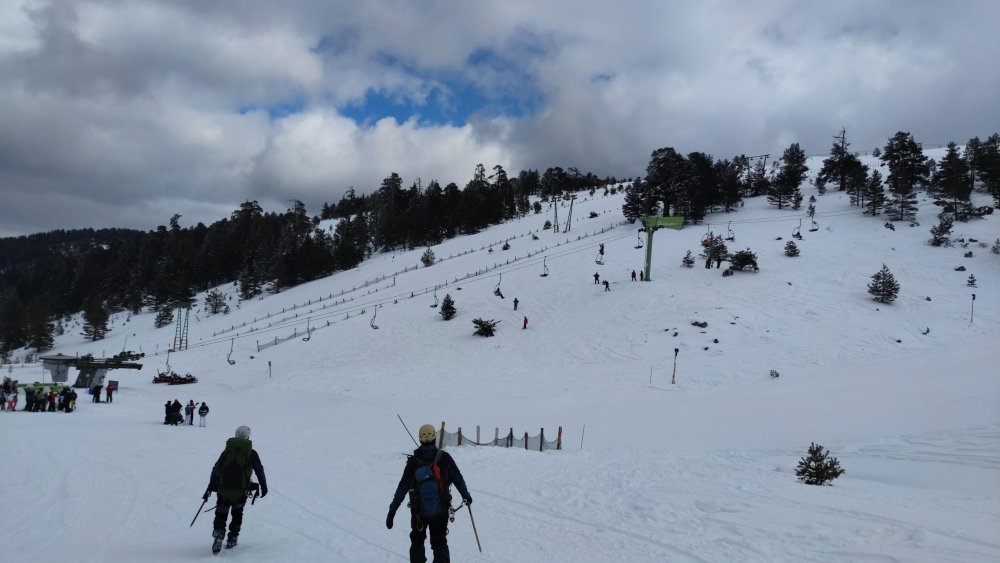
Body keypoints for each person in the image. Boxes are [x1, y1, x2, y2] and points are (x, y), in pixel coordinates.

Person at [387, 424, 472, 563]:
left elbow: (402, 487)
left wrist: (392, 510)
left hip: (418, 512)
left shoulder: (413, 462)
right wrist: (466, 496)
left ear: (420, 438)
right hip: (441, 510)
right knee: (439, 543)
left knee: (417, 541)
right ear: (434, 436)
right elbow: (458, 478)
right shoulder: (444, 458)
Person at [204, 425, 268, 553]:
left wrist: (211, 485)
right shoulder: (251, 453)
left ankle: (218, 535)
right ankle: (232, 538)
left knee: (221, 512)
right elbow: (259, 470)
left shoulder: (227, 450)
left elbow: (216, 468)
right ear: (248, 436)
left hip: (223, 489)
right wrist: (263, 486)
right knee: (237, 513)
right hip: (241, 491)